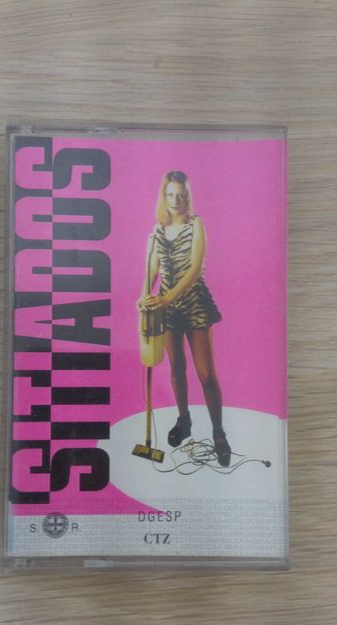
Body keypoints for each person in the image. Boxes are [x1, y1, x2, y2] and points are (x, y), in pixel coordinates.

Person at [138, 170, 231, 466]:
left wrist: (166, 298)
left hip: (194, 303)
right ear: (163, 197)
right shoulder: (158, 230)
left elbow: (194, 269)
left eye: (180, 194)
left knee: (206, 374)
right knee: (176, 367)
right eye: (170, 194)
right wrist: (144, 297)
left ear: (187, 196)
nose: (175, 200)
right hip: (166, 308)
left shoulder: (196, 224)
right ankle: (184, 421)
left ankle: (218, 433)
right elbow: (152, 270)